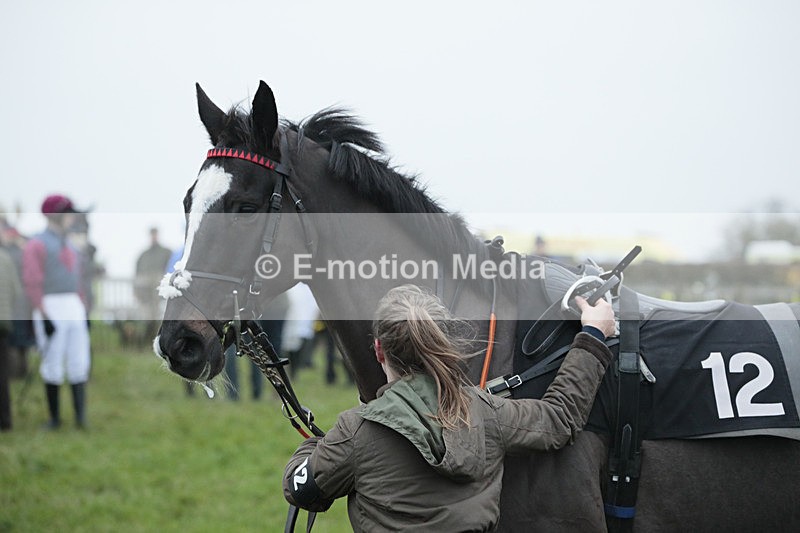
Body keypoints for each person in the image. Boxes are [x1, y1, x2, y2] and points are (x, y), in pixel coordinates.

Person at [283, 284, 615, 531]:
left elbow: (300, 488)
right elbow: (559, 419)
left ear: (379, 350)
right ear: (442, 343)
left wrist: (312, 446)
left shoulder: (354, 432)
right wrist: (593, 335)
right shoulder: (487, 413)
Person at [22, 194, 92, 429]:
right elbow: (33, 283)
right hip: (50, 305)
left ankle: (80, 417)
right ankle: (54, 418)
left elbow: (79, 281)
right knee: (52, 362)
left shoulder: (71, 245)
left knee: (78, 360)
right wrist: (43, 314)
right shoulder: (36, 244)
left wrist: (83, 310)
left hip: (73, 305)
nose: (72, 218)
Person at [0, 246, 22, 431]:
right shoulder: (6, 258)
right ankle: (5, 421)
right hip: (4, 323)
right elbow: (17, 291)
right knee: (3, 374)